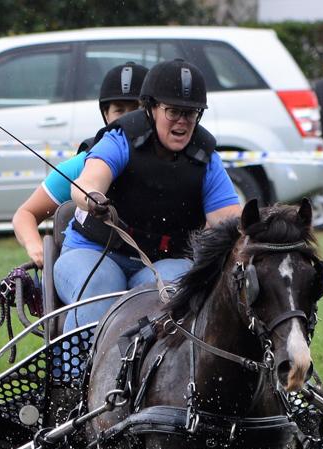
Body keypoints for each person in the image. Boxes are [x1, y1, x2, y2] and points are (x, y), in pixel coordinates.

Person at [56, 58, 241, 330]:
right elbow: (86, 183)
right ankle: (78, 359)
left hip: (162, 263)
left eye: (191, 113)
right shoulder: (119, 139)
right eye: (173, 111)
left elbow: (231, 220)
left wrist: (267, 229)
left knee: (175, 287)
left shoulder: (206, 159)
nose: (182, 121)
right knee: (102, 285)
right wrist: (92, 197)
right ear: (151, 108)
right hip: (93, 253)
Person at [11, 62, 148, 269]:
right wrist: (36, 247)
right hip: (93, 260)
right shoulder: (81, 165)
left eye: (137, 109)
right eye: (119, 110)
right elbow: (25, 214)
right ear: (106, 115)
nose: (128, 119)